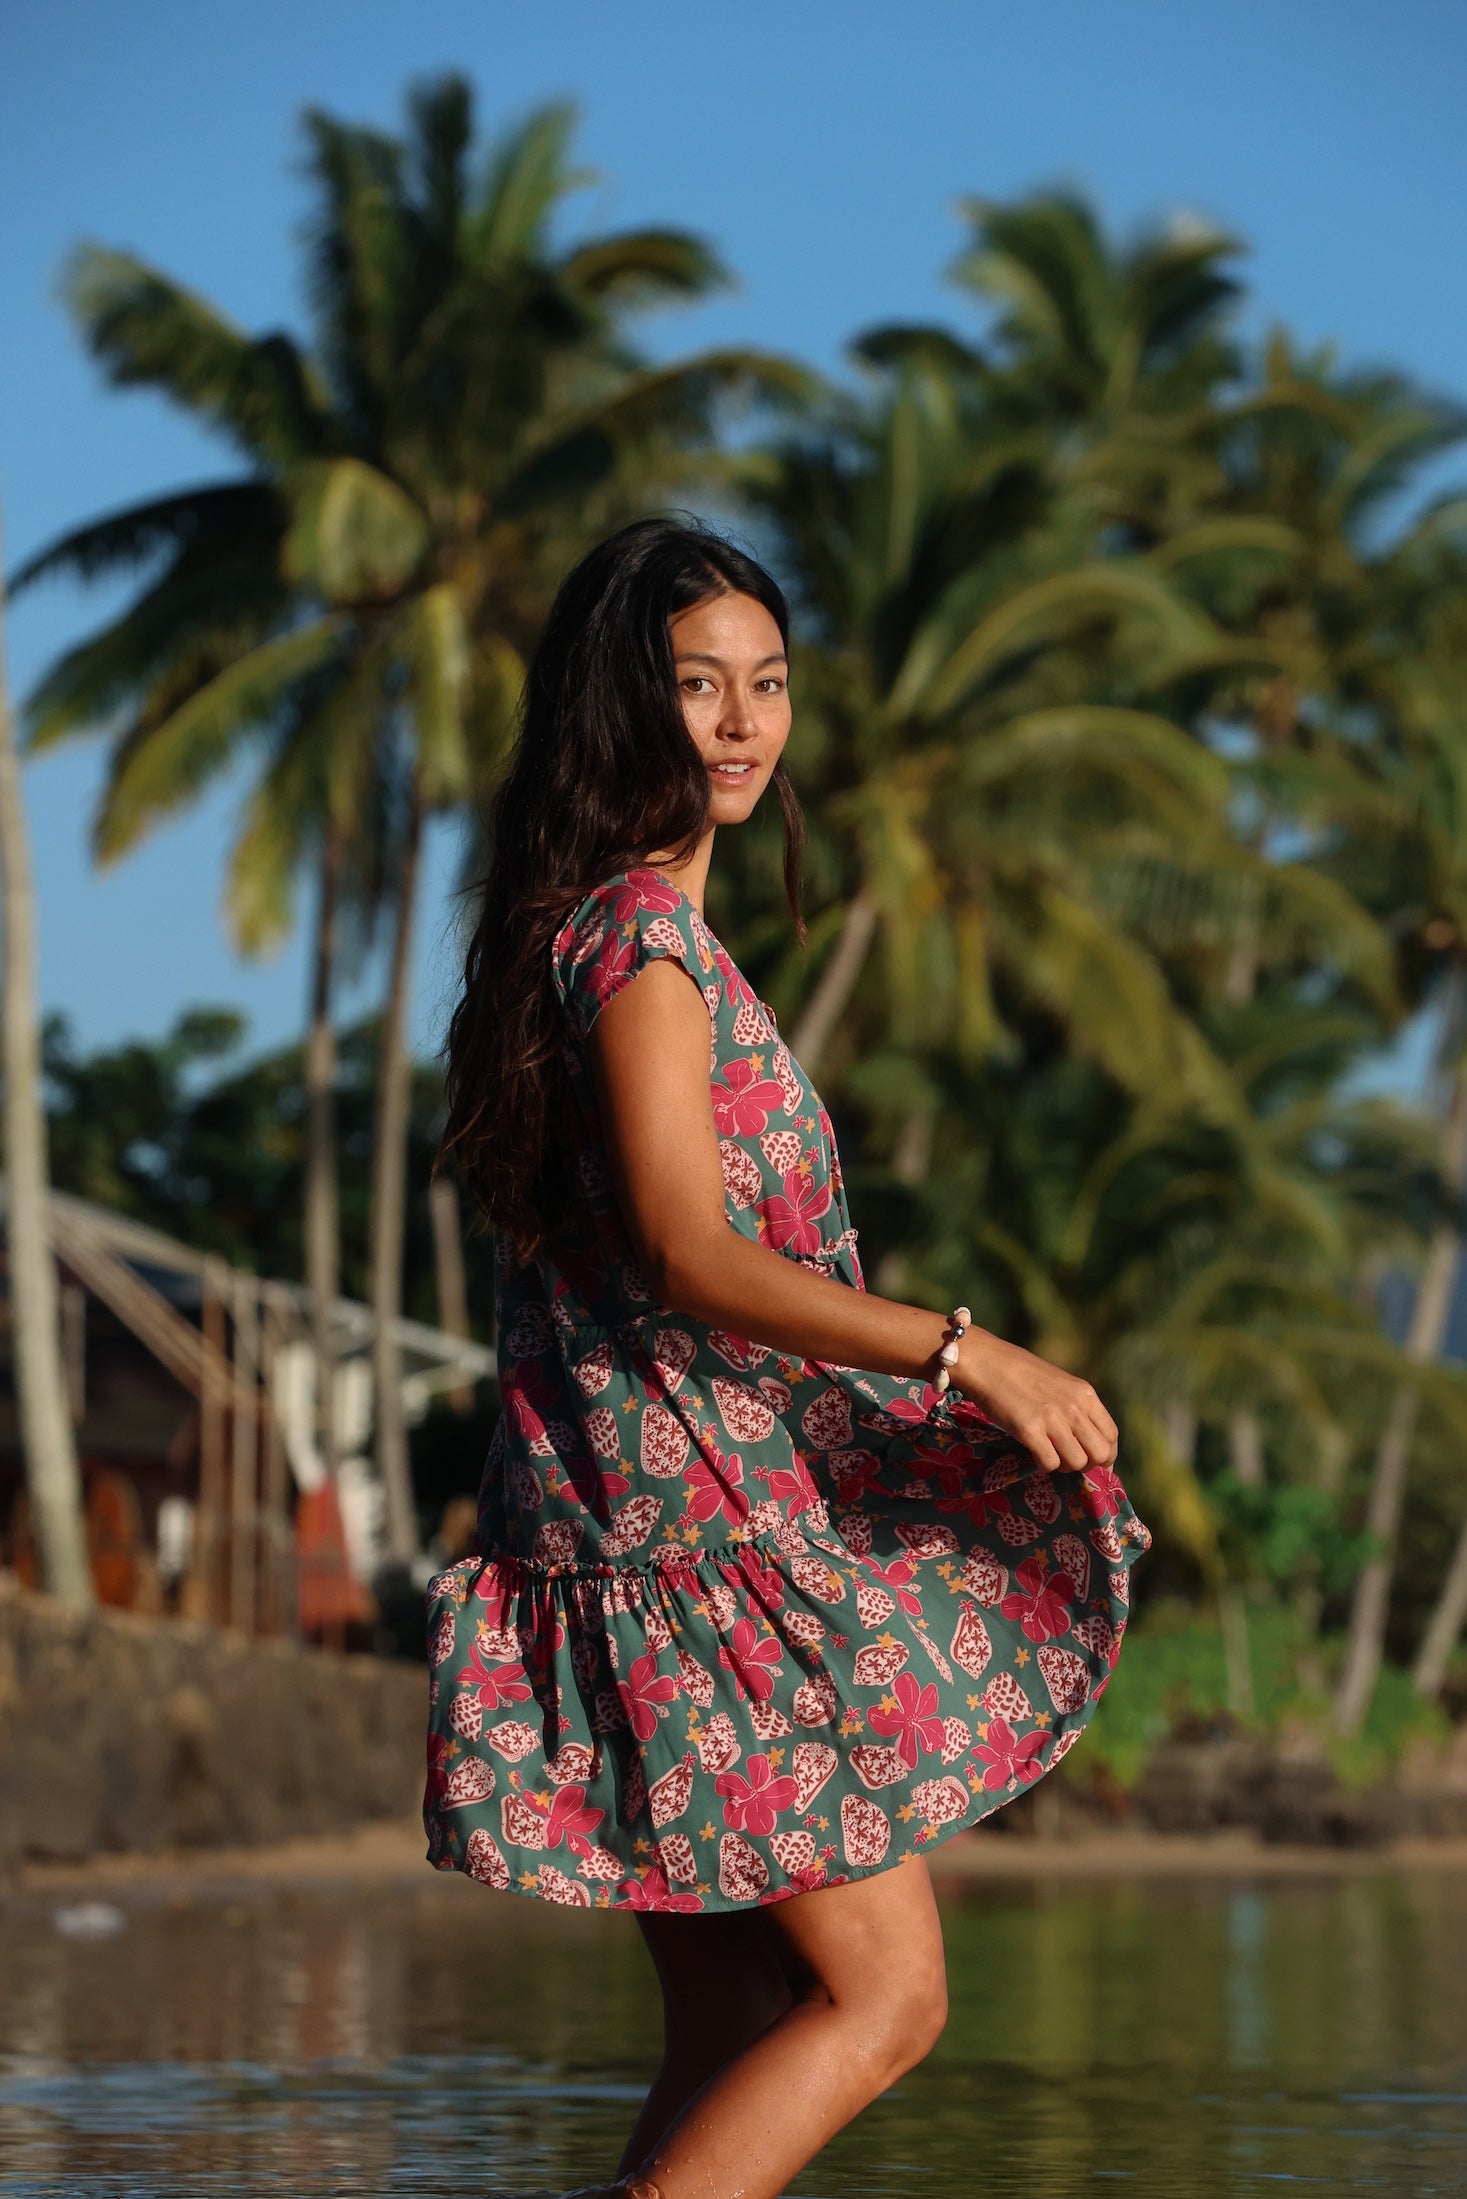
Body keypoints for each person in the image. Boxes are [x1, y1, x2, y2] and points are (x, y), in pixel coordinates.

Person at [425, 517, 1150, 2199]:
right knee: (887, 1999)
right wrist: (967, 1356)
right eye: (699, 686)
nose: (744, 723)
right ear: (624, 707)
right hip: (689, 1542)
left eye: (769, 684)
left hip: (643, 1526)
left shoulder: (605, 940)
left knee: (741, 2012)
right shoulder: (642, 950)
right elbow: (688, 1249)